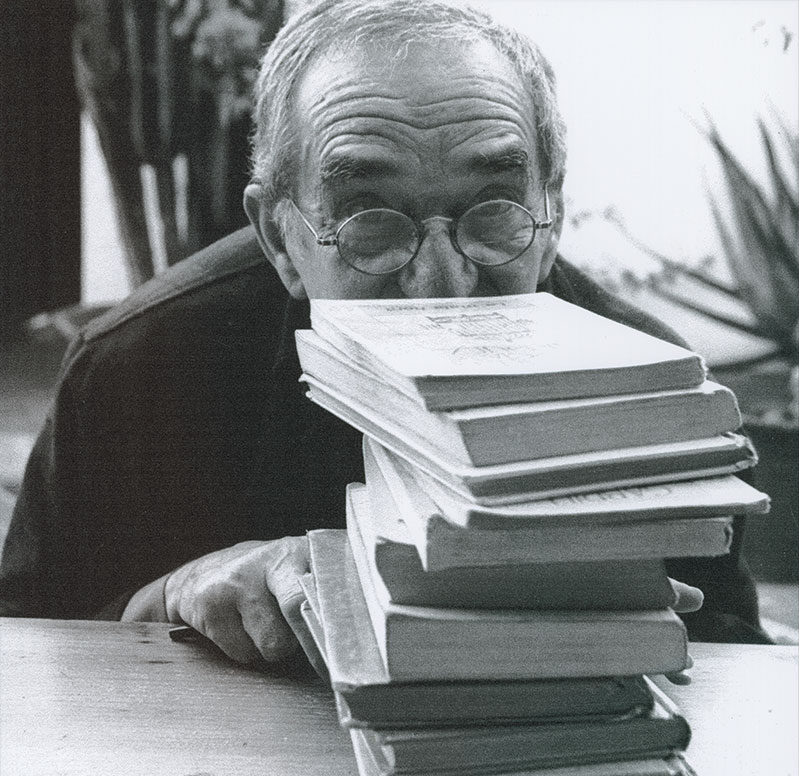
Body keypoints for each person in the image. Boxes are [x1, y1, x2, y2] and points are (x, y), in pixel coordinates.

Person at [0, 0, 770, 669]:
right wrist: (166, 595)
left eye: (493, 211)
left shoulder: (661, 394)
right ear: (279, 236)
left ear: (552, 211)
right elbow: (25, 660)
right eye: (371, 222)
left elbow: (732, 671)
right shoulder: (139, 370)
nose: (442, 283)